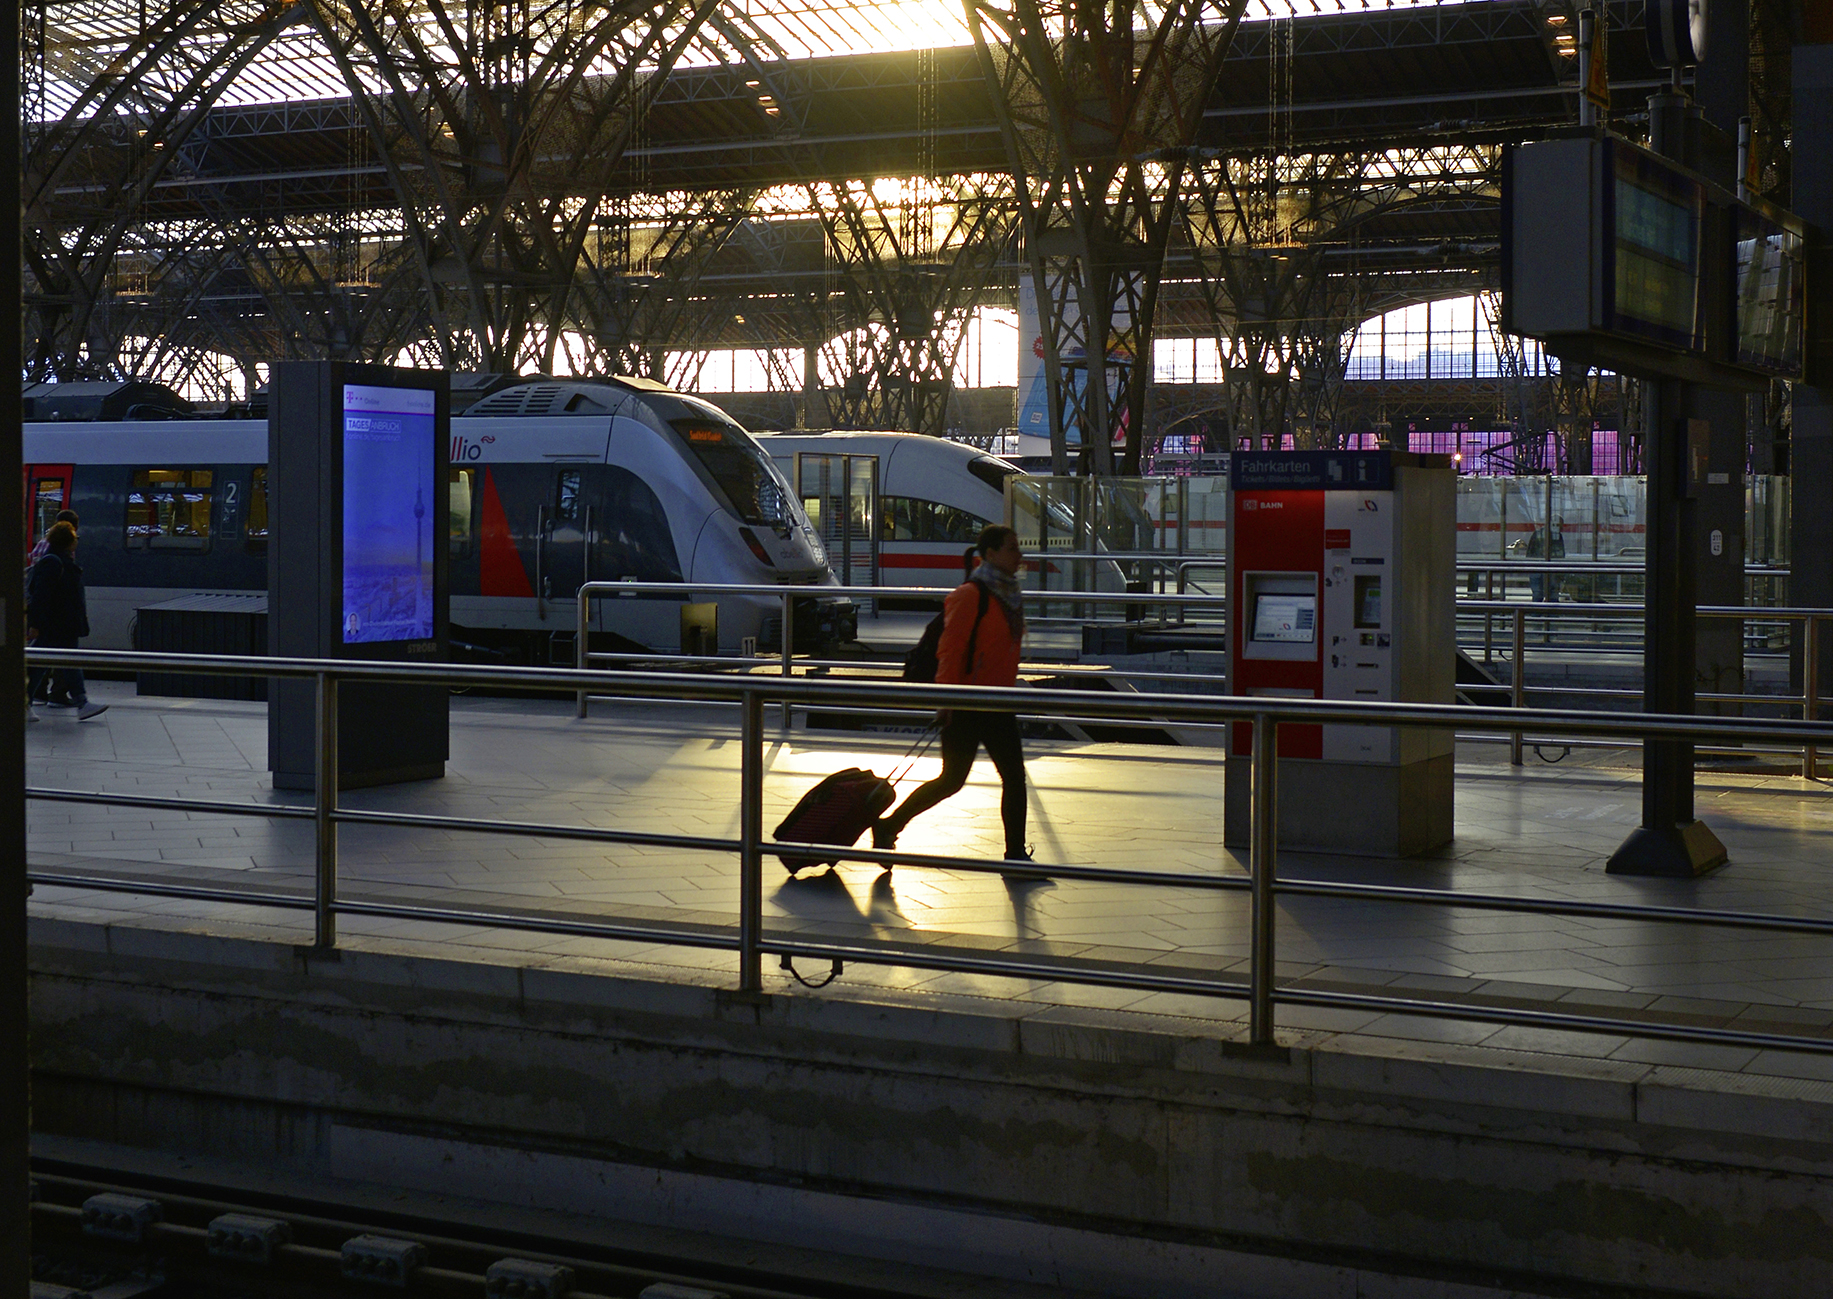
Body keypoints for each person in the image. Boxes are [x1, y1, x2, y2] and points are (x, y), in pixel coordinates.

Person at [874, 524, 1035, 868]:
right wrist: (945, 699)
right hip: (965, 702)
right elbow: (950, 649)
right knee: (951, 780)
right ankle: (889, 825)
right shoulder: (970, 595)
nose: (1019, 555)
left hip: (998, 701)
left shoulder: (1009, 594)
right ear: (990, 554)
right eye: (1011, 548)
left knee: (1013, 777)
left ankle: (1016, 854)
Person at [27, 521, 107, 721]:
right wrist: (35, 625)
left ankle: (80, 703)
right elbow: (41, 597)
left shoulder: (57, 560)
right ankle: (81, 703)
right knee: (53, 664)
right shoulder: (54, 562)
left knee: (47, 665)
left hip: (61, 624)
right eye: (75, 538)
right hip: (56, 624)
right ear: (68, 541)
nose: (77, 542)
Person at [27, 509, 79, 704]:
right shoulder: (59, 558)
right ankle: (60, 695)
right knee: (63, 658)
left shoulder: (41, 546)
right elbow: (45, 592)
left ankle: (37, 694)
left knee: (44, 658)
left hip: (48, 616)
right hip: (55, 616)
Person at [1526, 516, 1565, 602]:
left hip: (1536, 568)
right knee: (1552, 595)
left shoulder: (1537, 534)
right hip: (1551, 570)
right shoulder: (1557, 536)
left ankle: (1536, 613)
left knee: (1537, 594)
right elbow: (1561, 554)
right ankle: (1551, 613)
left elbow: (1529, 552)